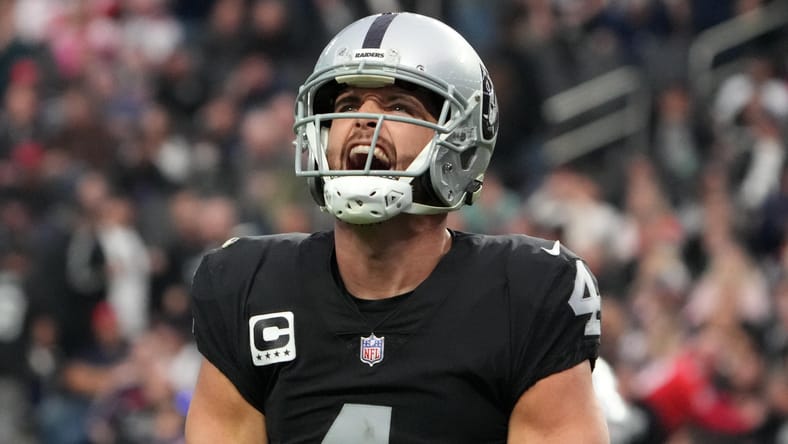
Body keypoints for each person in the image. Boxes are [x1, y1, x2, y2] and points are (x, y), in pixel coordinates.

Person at [185, 11, 608, 443]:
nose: (363, 121)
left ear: (458, 142)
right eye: (347, 105)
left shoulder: (527, 294)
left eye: (399, 107)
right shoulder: (247, 284)